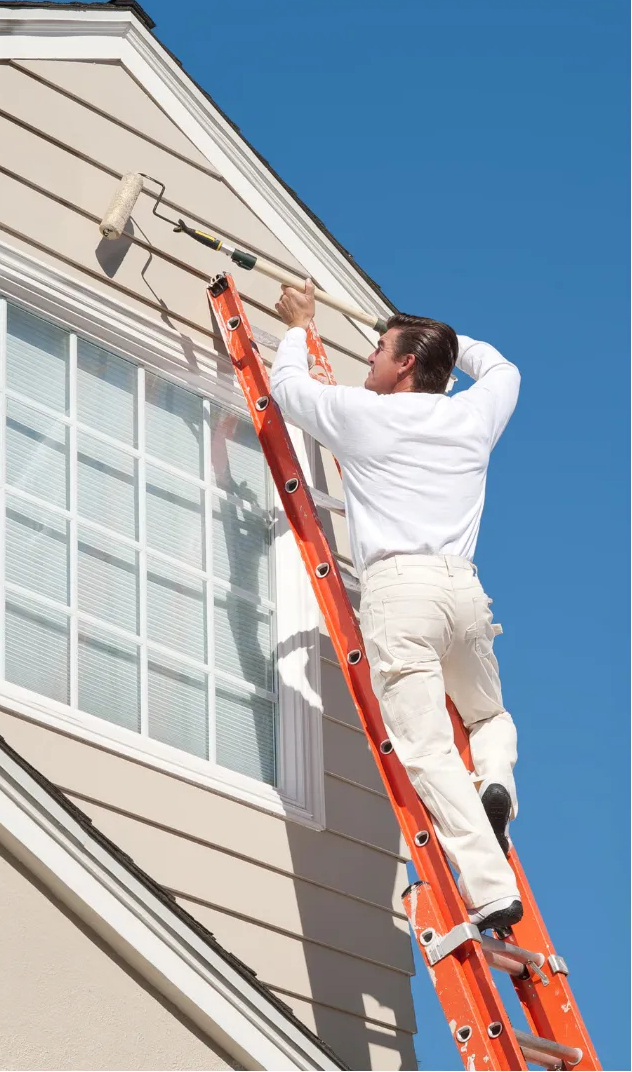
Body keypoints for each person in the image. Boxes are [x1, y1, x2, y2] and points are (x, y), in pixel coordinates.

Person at [269, 279, 522, 932]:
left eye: (380, 348)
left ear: (406, 363)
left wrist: (298, 322)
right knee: (487, 715)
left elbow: (289, 389)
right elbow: (500, 367)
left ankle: (491, 887)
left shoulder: (364, 414)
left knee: (426, 747)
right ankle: (495, 779)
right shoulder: (472, 416)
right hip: (463, 590)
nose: (369, 360)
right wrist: (441, 337)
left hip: (400, 590)